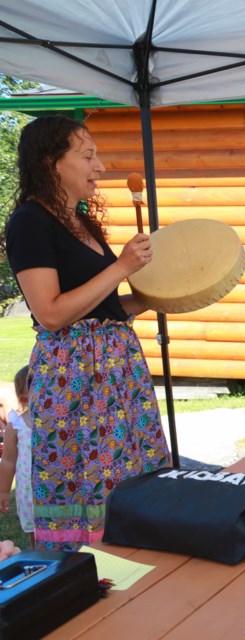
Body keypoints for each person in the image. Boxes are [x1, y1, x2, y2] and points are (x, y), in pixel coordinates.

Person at [4, 115, 171, 552]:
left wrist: (163, 295)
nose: (99, 167)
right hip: (75, 382)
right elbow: (53, 313)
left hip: (117, 373)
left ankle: (136, 553)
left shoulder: (82, 223)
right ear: (51, 162)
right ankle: (91, 568)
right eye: (87, 156)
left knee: (129, 466)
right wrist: (122, 267)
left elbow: (105, 307)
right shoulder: (29, 222)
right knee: (89, 477)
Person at [0, 366, 35, 548]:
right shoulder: (16, 424)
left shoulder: (61, 423)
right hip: (29, 493)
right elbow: (8, 460)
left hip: (57, 492)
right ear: (24, 398)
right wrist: (4, 491)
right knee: (34, 534)